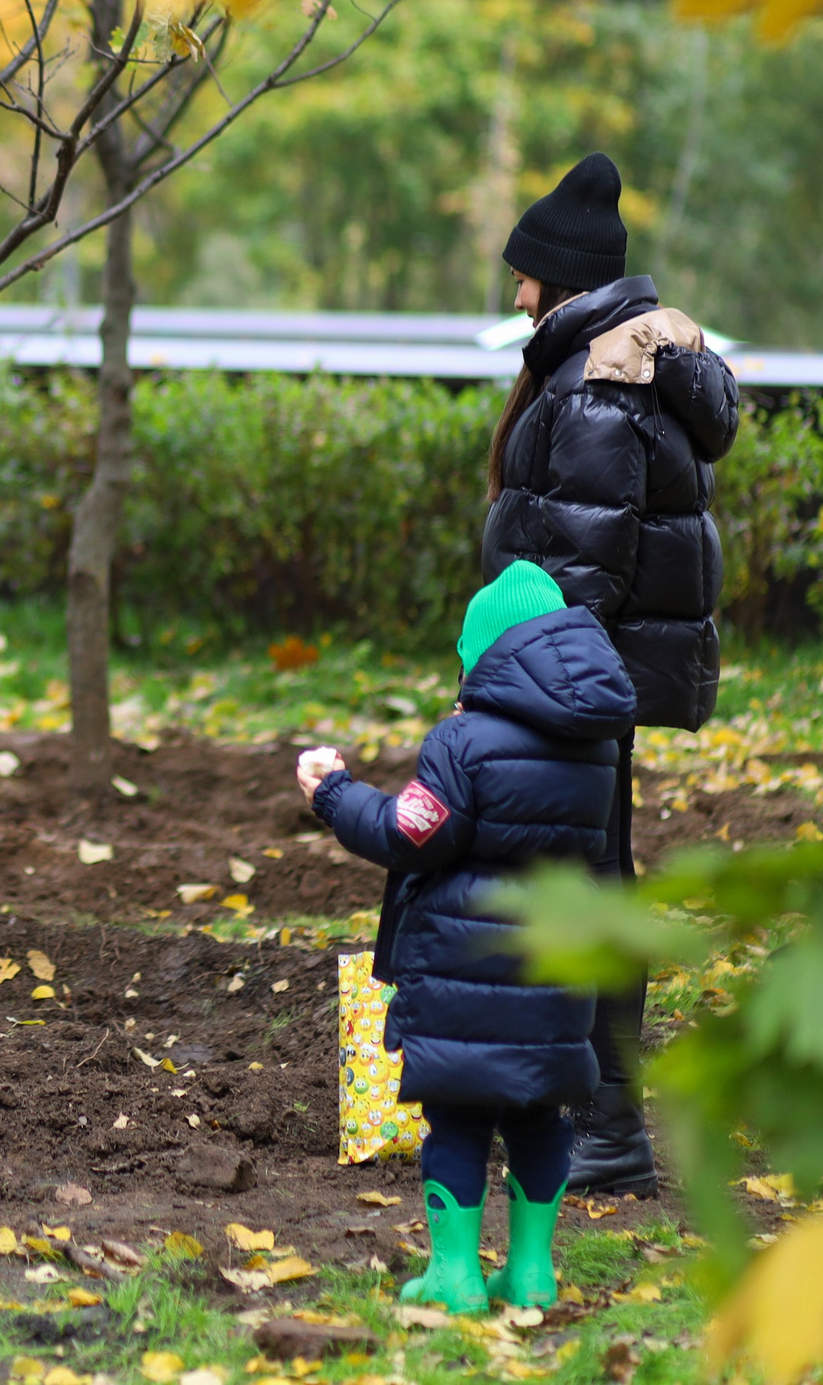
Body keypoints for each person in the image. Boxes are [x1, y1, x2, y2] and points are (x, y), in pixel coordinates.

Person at [481, 151, 738, 1197]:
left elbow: (585, 567)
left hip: (579, 686)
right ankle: (583, 1115)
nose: (514, 294)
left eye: (525, 276)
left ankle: (609, 1131)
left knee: (584, 890)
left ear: (565, 280)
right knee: (587, 884)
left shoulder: (596, 390)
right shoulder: (606, 369)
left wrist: (535, 692)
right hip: (593, 684)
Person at [297, 561, 635, 1314]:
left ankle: (455, 1277)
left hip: (465, 962)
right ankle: (533, 1272)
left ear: (484, 652)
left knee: (456, 1117)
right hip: (556, 958)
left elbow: (409, 834)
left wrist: (333, 792)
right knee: (539, 1115)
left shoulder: (464, 741)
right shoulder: (599, 745)